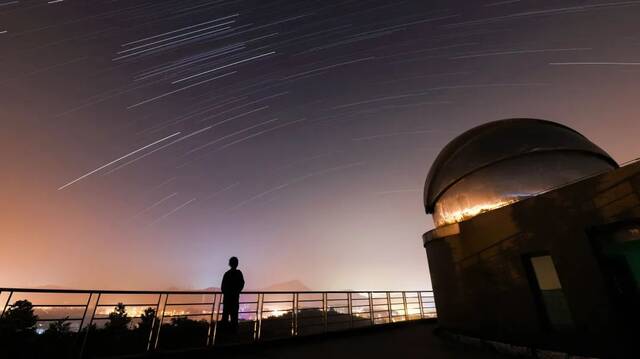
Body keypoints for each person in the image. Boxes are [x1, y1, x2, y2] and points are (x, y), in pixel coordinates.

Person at [221, 256, 244, 333]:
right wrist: (237, 291)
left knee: (225, 318)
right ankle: (233, 335)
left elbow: (222, 287)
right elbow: (242, 283)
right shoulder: (239, 273)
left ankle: (224, 336)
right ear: (237, 264)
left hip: (227, 300)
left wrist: (227, 293)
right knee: (234, 318)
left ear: (229, 264)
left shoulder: (226, 274)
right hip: (235, 300)